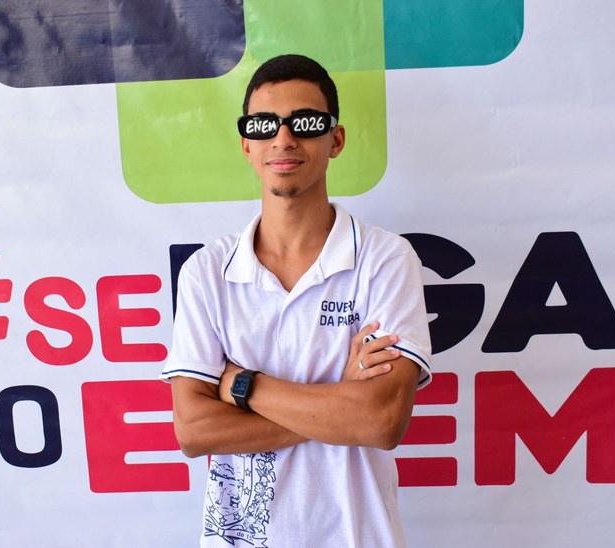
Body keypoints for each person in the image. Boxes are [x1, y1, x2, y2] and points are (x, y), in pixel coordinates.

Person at [161, 54, 432, 547]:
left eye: (305, 122)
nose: (283, 139)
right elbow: (194, 431)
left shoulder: (386, 260)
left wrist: (239, 384)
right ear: (246, 144)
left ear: (336, 139)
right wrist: (339, 404)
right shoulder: (206, 271)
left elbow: (380, 422)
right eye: (264, 125)